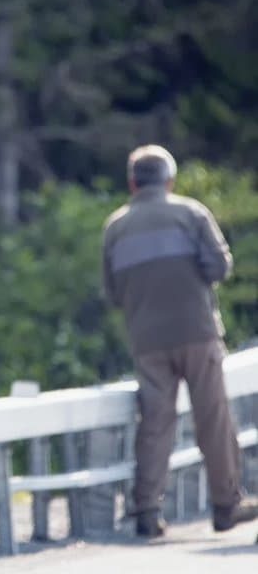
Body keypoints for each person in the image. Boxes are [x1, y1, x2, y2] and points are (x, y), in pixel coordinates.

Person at [102, 144, 258, 537]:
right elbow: (220, 266)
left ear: (133, 183)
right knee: (213, 418)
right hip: (197, 332)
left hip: (147, 339)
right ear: (169, 180)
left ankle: (146, 513)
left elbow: (113, 292)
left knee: (154, 423)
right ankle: (226, 505)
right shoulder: (192, 212)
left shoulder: (116, 226)